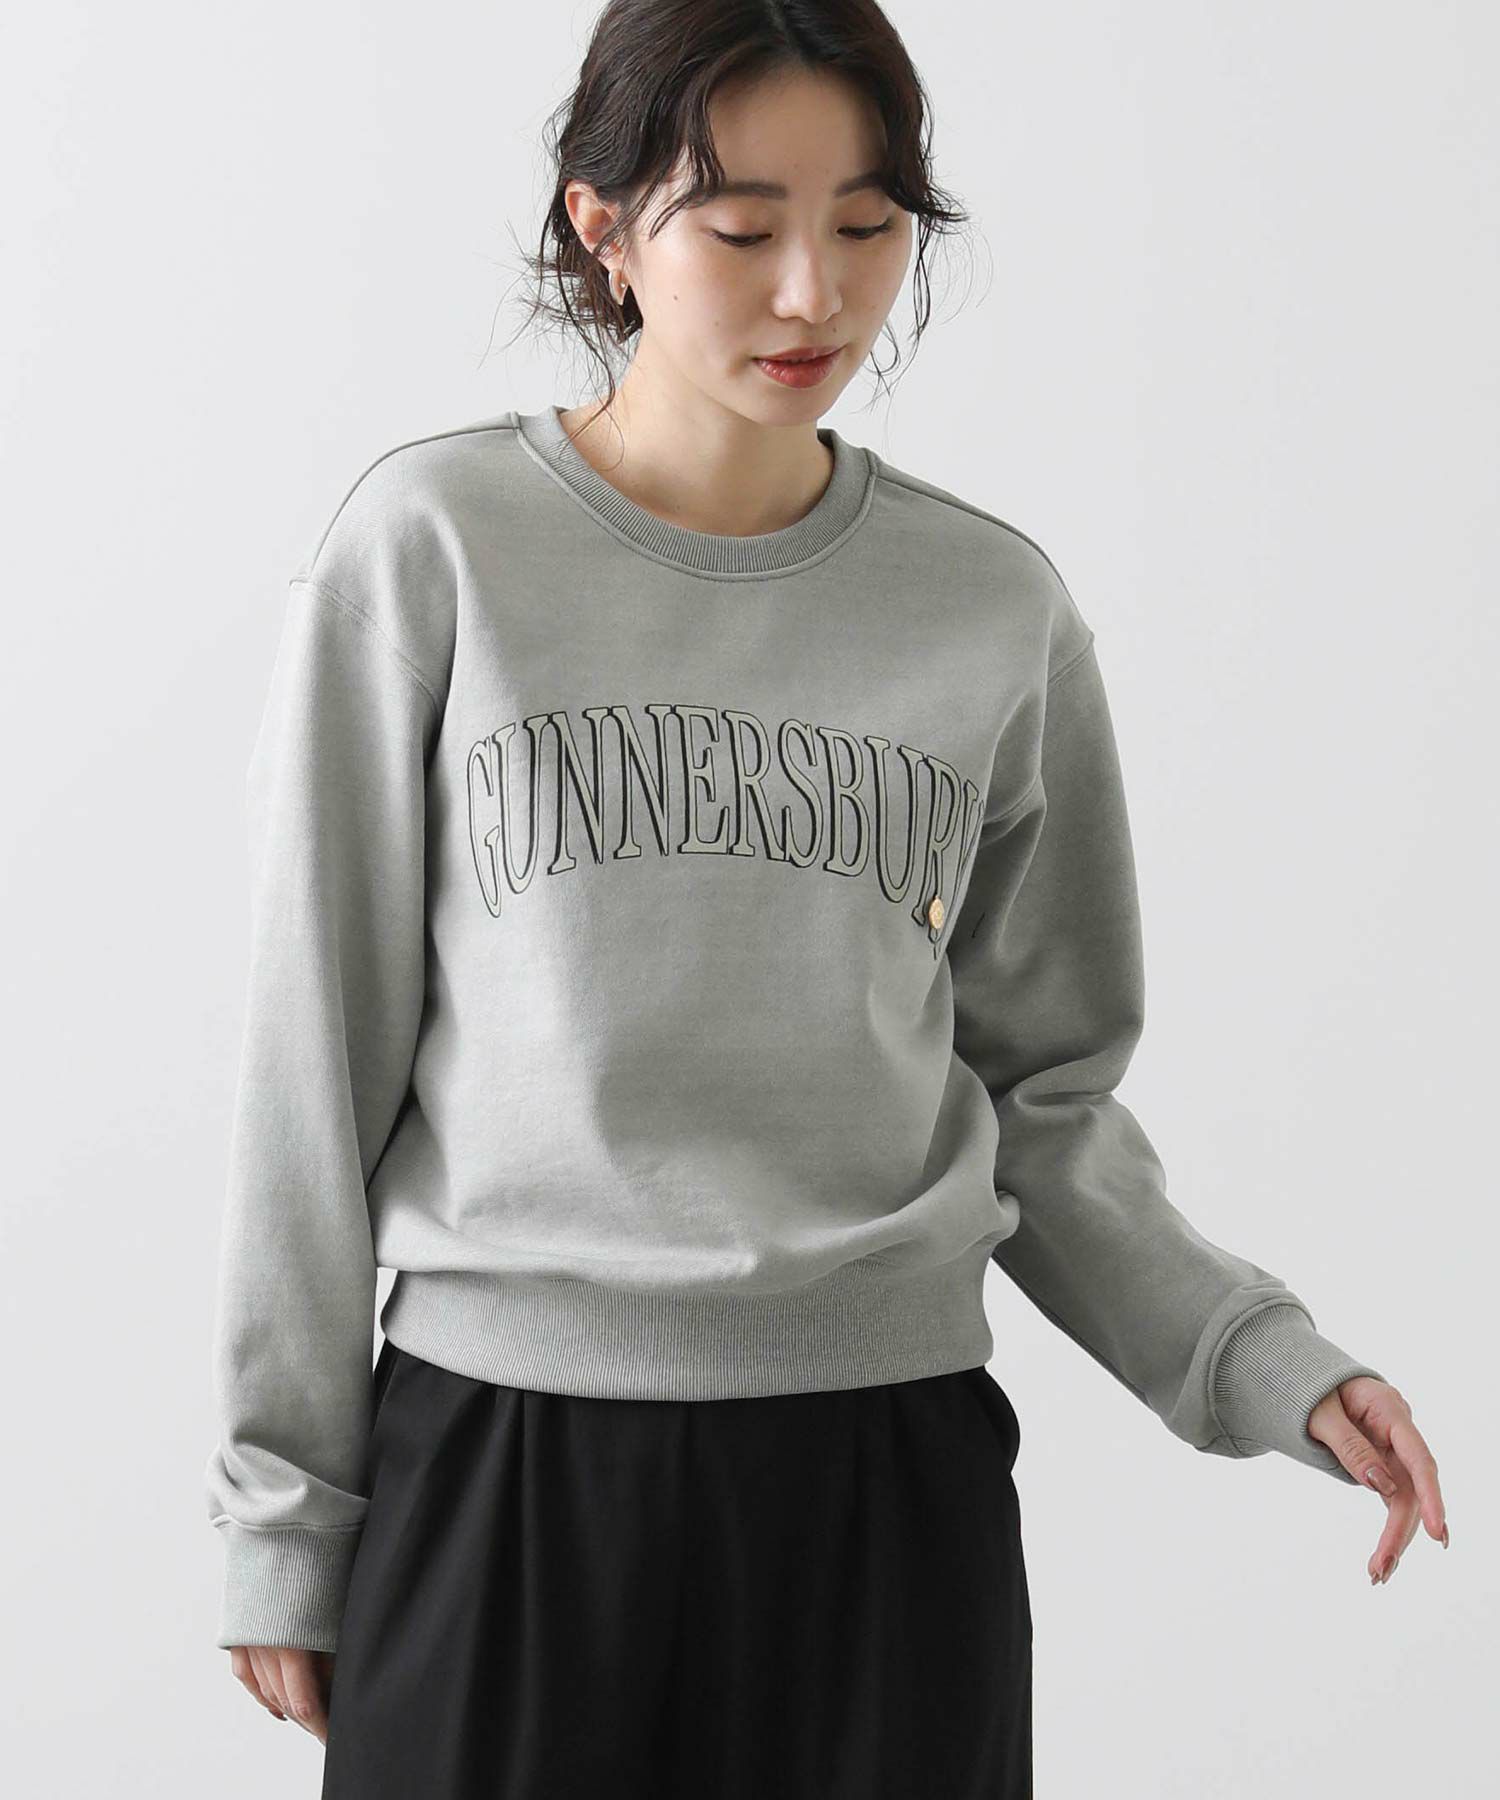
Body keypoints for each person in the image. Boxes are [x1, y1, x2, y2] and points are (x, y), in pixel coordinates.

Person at [202, 1, 1448, 1793]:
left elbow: (1043, 1105)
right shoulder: (434, 550)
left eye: (868, 226)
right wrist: (281, 1508)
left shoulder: (990, 609)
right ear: (603, 227)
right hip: (502, 1472)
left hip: (885, 1491)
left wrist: (1259, 1359)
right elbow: (309, 1069)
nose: (815, 295)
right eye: (742, 230)